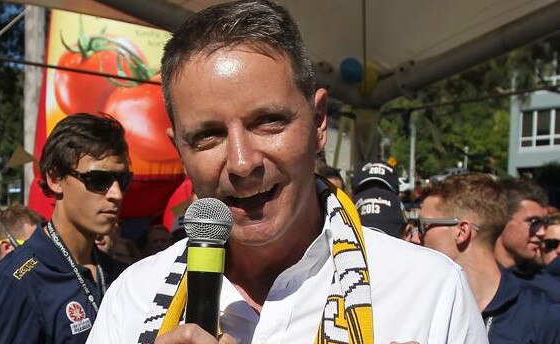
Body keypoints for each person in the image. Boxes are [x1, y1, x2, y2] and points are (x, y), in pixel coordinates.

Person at [87, 1, 486, 343]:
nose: (243, 163)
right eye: (208, 136)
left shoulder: (429, 292)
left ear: (319, 122)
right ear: (180, 151)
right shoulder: (133, 299)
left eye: (268, 122)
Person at [0, 113, 132, 343]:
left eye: (123, 181)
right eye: (98, 180)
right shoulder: (16, 283)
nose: (116, 194)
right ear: (55, 179)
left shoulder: (122, 275)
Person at [419, 173, 560, 342]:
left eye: (424, 226)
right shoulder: (421, 304)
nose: (415, 237)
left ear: (462, 232)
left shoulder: (543, 315)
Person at [494, 178, 548, 271]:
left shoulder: (545, 284)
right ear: (502, 220)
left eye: (545, 223)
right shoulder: (465, 277)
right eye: (534, 222)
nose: (542, 232)